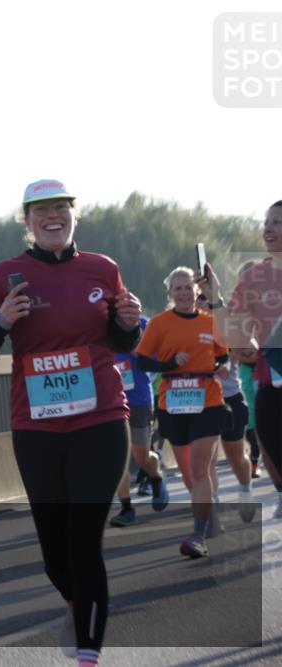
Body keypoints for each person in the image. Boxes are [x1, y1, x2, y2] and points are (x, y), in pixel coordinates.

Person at [0, 180, 141, 667]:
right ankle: (74, 601)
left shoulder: (102, 268)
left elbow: (124, 342)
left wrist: (129, 321)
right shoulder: (7, 274)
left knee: (85, 540)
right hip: (37, 429)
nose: (53, 216)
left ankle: (88, 653)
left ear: (74, 215)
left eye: (61, 207)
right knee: (55, 554)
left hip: (101, 420)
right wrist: (0, 321)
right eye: (42, 210)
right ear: (27, 220)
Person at [135, 266, 230, 558]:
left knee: (201, 467)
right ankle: (206, 510)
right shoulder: (160, 324)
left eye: (188, 287)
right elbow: (142, 362)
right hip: (173, 402)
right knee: (189, 471)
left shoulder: (209, 320)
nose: (184, 293)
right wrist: (170, 365)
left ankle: (198, 534)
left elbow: (224, 351)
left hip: (208, 399)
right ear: (169, 293)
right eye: (178, 288)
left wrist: (220, 366)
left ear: (197, 290)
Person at [226, 201, 282, 519]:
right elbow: (236, 332)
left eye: (277, 222)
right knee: (269, 440)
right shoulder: (254, 277)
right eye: (266, 222)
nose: (268, 228)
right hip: (268, 379)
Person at [196, 294, 257, 524]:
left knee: (236, 456)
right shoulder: (187, 330)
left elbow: (250, 352)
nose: (202, 307)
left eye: (206, 304)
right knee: (207, 459)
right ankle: (213, 508)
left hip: (230, 399)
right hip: (200, 402)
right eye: (198, 304)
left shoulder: (228, 328)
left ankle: (245, 490)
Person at [109, 315, 170, 527]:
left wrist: (135, 344)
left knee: (141, 456)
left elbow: (158, 359)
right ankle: (127, 508)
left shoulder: (141, 323)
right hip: (110, 401)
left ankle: (156, 476)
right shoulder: (95, 324)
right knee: (116, 458)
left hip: (139, 398)